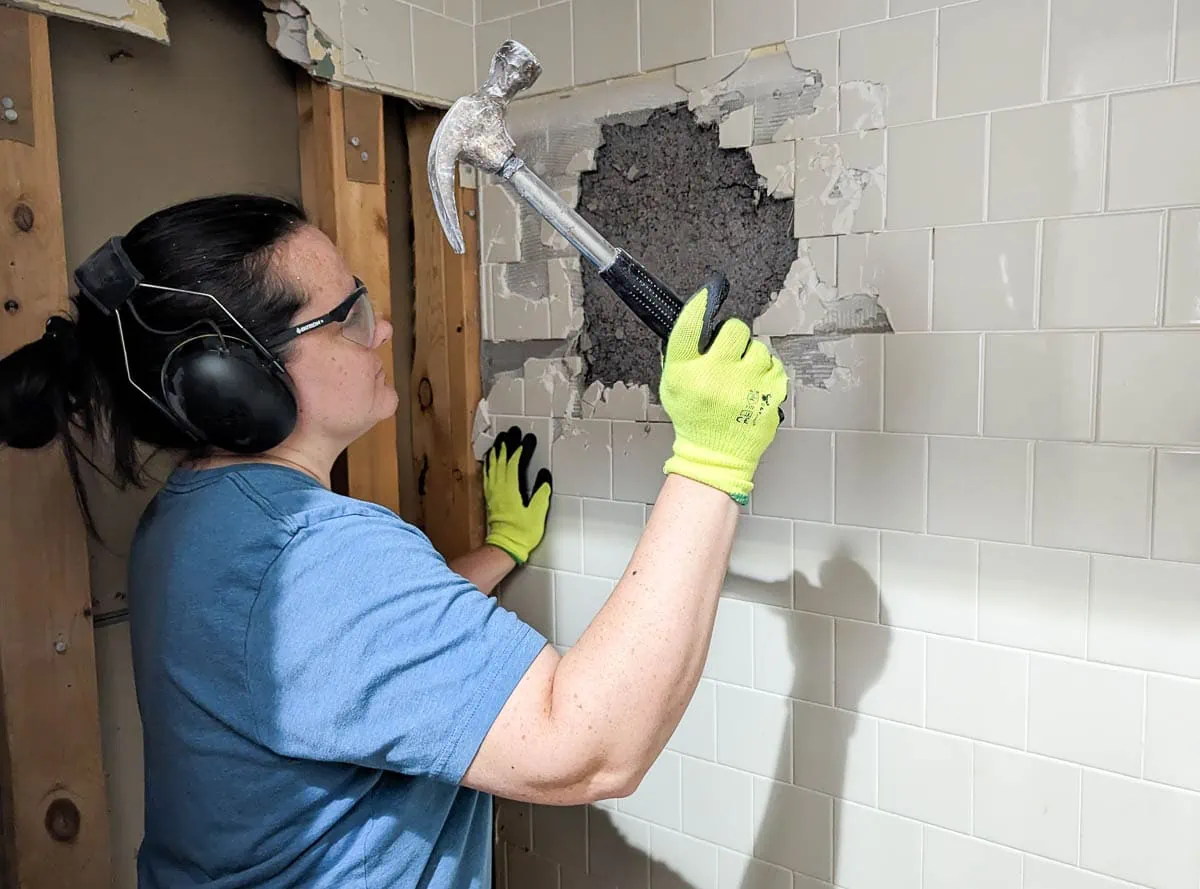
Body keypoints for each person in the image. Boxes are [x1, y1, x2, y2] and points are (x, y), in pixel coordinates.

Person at [0, 193, 788, 888]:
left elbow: (355, 658)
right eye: (344, 316)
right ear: (230, 378)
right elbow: (591, 747)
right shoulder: (310, 556)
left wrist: (501, 551)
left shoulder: (194, 519)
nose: (378, 328)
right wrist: (713, 461)